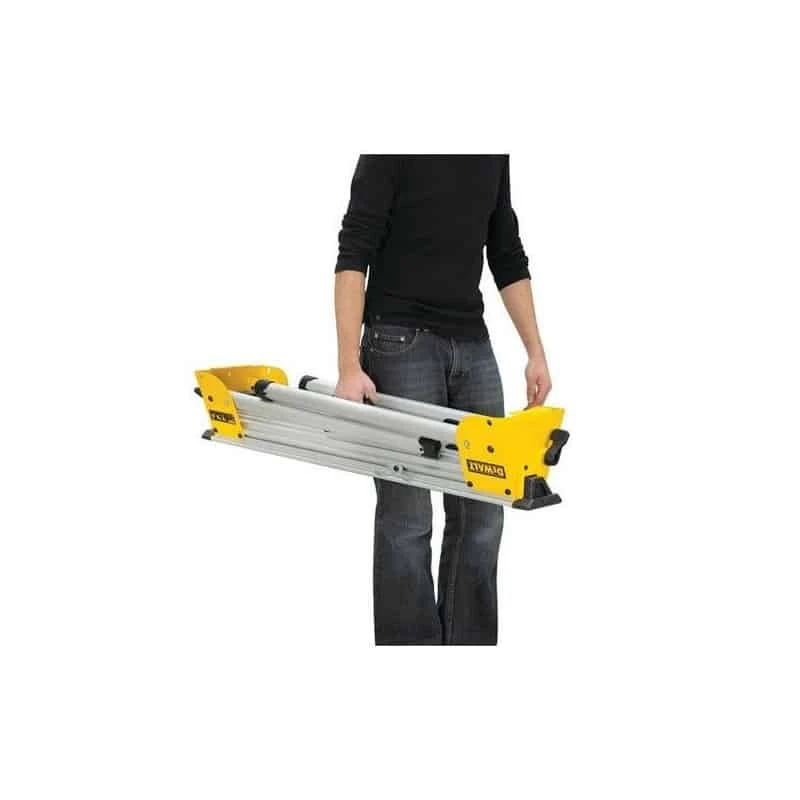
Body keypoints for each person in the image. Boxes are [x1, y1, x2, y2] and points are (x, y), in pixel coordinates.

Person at [334, 155, 552, 646]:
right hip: (398, 340)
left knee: (484, 511)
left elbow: (506, 250)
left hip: (472, 343)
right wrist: (349, 365)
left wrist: (535, 352)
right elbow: (354, 251)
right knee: (408, 518)